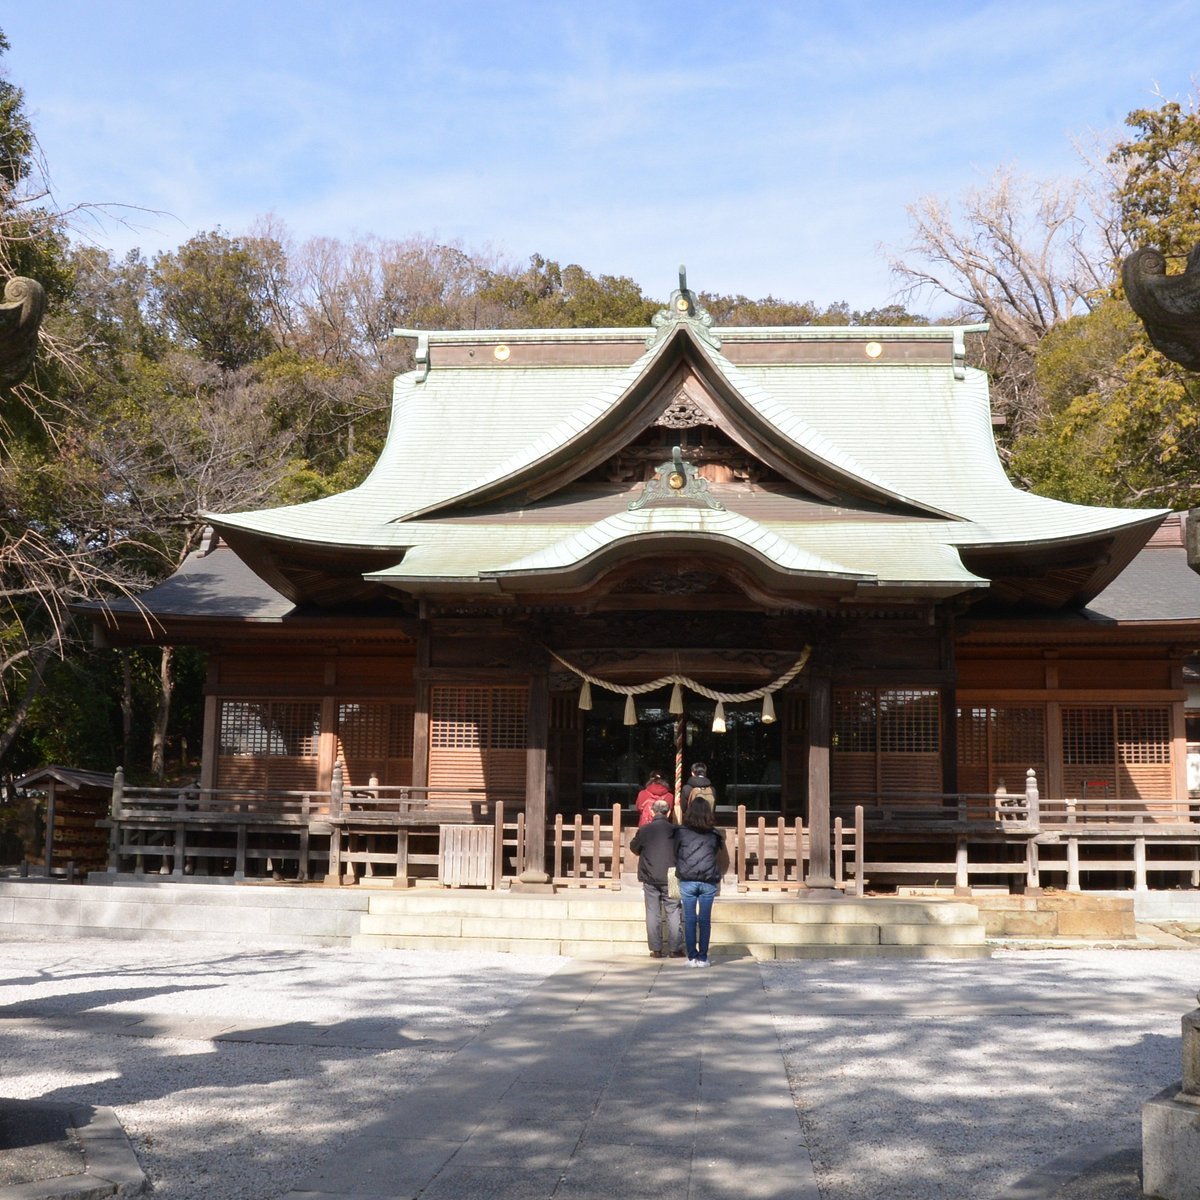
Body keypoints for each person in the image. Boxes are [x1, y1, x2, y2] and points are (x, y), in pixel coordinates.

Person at [628, 799, 685, 959]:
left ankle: (656, 949)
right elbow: (682, 851)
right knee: (673, 911)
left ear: (652, 812)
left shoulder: (645, 829)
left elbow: (634, 847)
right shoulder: (676, 830)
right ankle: (675, 949)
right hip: (672, 874)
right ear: (668, 812)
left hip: (650, 875)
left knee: (653, 912)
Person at [674, 797, 725, 967]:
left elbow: (676, 852)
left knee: (689, 919)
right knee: (704, 920)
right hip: (708, 879)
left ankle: (692, 956)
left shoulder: (680, 832)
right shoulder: (714, 834)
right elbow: (717, 853)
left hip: (688, 878)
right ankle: (703, 957)